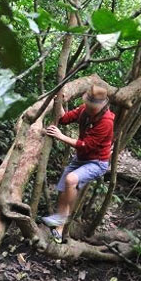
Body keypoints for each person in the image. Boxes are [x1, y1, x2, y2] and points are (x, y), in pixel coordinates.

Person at [41, 84, 115, 242]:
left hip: (97, 162)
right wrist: (58, 103)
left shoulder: (106, 121)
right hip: (81, 158)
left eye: (92, 106)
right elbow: (64, 119)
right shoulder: (84, 109)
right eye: (88, 104)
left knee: (70, 180)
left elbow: (86, 144)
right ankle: (59, 229)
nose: (88, 107)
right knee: (62, 191)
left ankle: (63, 218)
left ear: (101, 105)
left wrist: (60, 137)